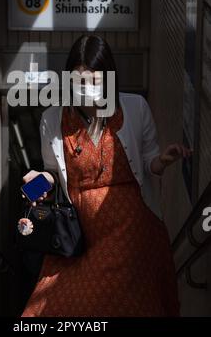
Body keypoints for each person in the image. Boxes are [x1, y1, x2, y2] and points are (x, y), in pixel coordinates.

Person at [20, 35, 192, 317]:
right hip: (78, 234)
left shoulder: (135, 108)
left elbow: (148, 163)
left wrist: (163, 160)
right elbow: (52, 173)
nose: (86, 89)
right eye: (79, 81)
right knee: (47, 308)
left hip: (130, 229)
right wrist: (35, 184)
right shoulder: (53, 118)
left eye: (94, 81)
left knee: (108, 302)